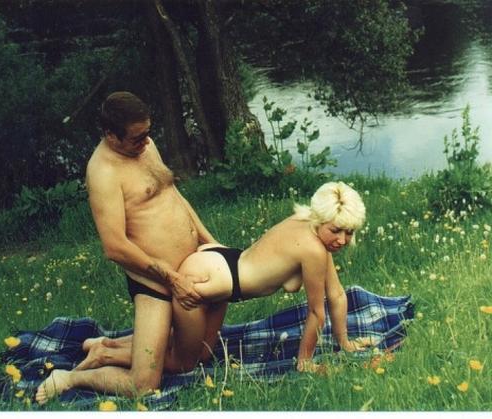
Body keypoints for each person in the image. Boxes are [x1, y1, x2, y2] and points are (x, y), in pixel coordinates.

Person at [74, 181, 374, 379]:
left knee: (204, 353)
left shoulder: (308, 225)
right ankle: (102, 356)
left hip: (222, 265)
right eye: (336, 230)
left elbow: (336, 295)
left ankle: (105, 343)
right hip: (204, 278)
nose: (342, 239)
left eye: (349, 232)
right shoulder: (313, 250)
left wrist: (345, 343)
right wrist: (305, 361)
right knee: (183, 363)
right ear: (321, 220)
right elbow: (316, 312)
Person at [35, 91, 216, 404]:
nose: (146, 142)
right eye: (137, 138)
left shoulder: (145, 145)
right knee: (144, 385)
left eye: (148, 133)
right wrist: (171, 278)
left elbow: (173, 195)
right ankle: (69, 377)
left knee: (197, 356)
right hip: (155, 282)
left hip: (189, 267)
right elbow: (115, 246)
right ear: (111, 136)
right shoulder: (103, 172)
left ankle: (106, 349)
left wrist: (209, 242)